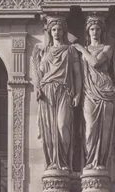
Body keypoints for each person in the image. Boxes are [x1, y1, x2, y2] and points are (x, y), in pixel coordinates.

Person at [33, 16, 81, 173]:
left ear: (64, 31)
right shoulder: (45, 51)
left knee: (61, 126)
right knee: (49, 129)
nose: (56, 32)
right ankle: (53, 163)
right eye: (53, 29)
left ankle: (63, 162)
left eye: (59, 29)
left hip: (64, 90)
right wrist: (37, 87)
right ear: (49, 32)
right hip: (47, 92)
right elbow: (39, 73)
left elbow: (77, 74)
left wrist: (78, 94)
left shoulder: (70, 50)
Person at [74, 16, 115, 172]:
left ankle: (99, 162)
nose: (95, 32)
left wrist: (81, 49)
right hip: (89, 92)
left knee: (104, 131)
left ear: (102, 31)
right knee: (90, 128)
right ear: (88, 31)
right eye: (92, 29)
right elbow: (77, 73)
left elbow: (96, 63)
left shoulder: (107, 48)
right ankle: (90, 162)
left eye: (97, 29)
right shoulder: (82, 51)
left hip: (105, 89)